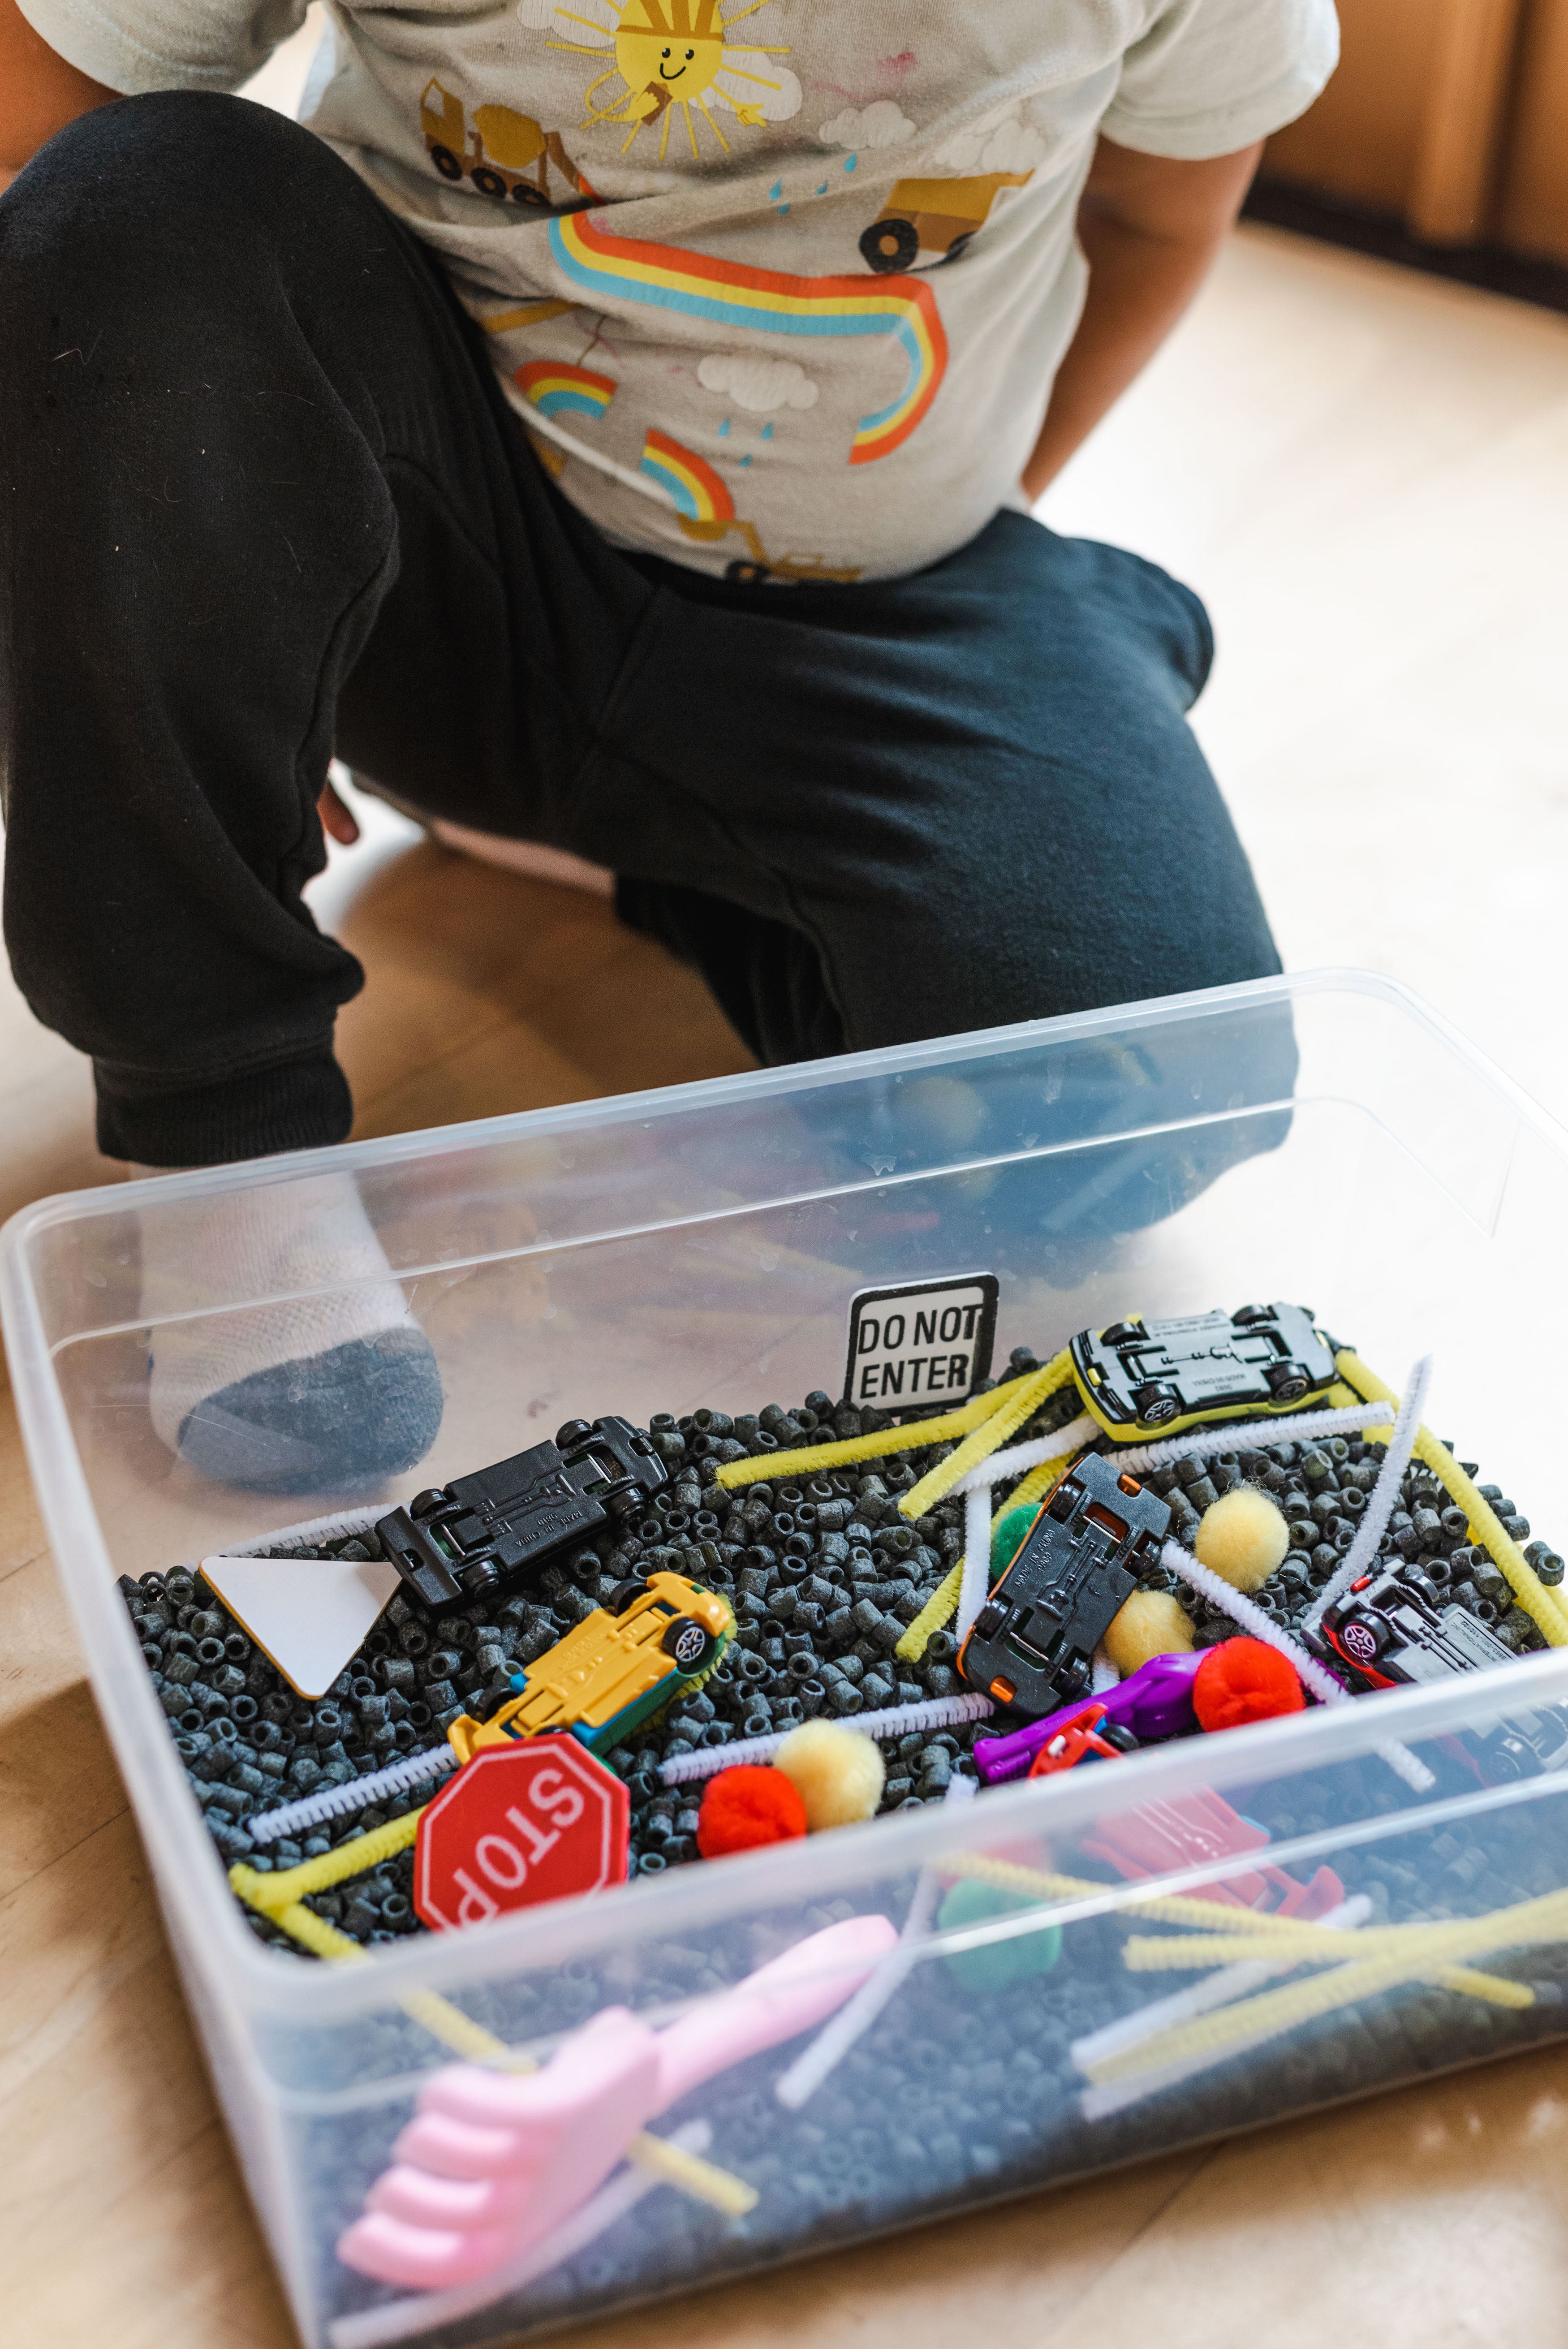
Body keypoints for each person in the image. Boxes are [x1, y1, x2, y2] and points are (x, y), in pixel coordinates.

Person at [0, 0, 1336, 1493]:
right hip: (438, 568)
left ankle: (708, 821)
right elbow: (54, 172)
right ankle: (223, 1150)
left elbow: (1164, 209)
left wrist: (998, 492)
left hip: (883, 611)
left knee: (1142, 1104)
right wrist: (173, 604)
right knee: (136, 191)